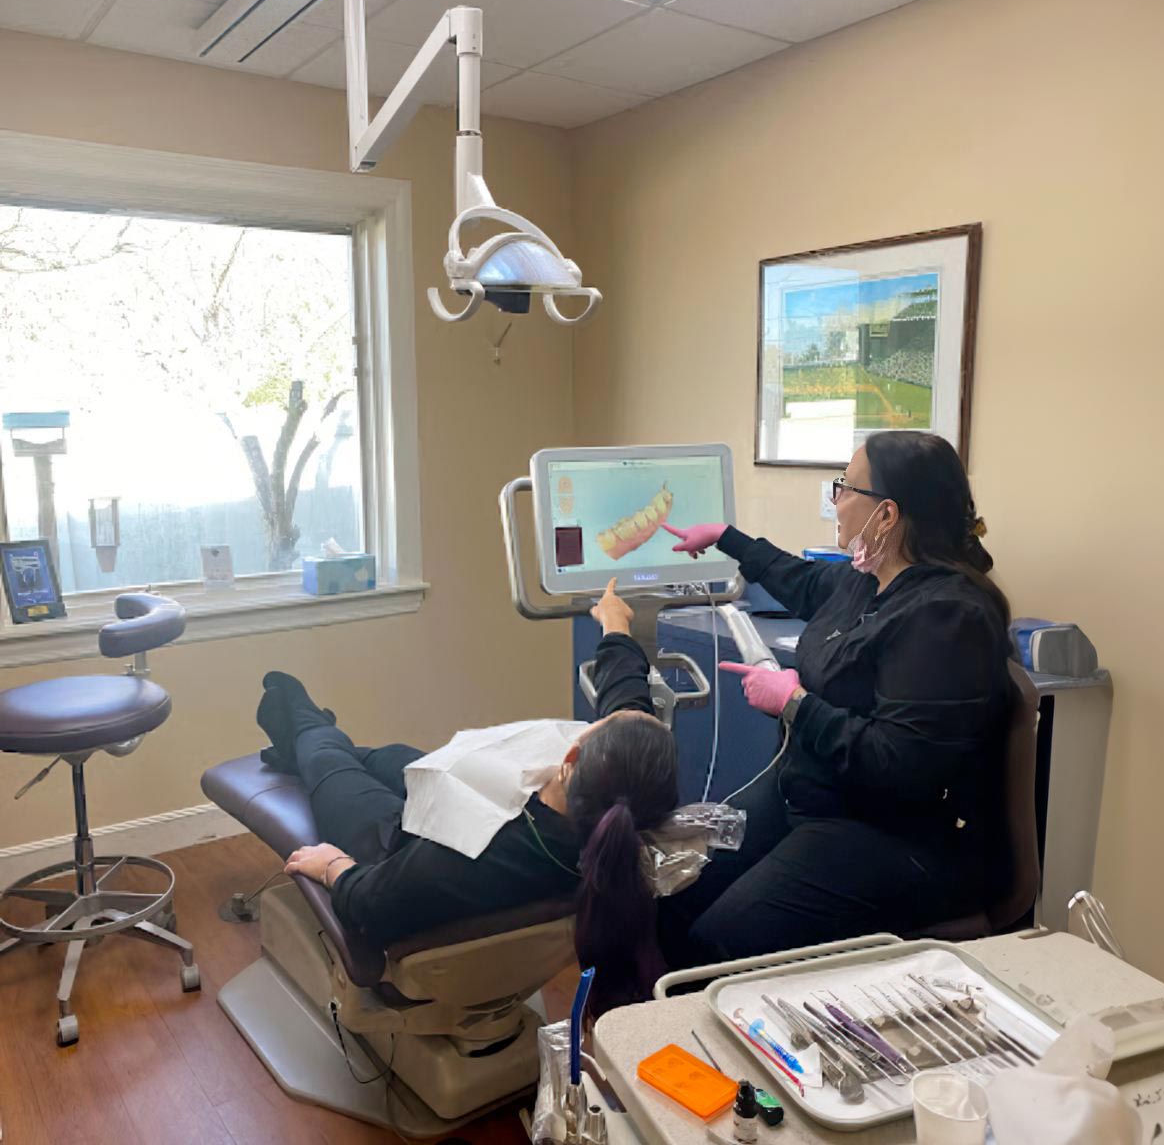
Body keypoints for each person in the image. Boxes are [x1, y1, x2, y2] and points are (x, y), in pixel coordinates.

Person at [658, 430, 1014, 966]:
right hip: (813, 794)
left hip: (893, 834)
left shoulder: (947, 618)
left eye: (845, 487)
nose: (836, 500)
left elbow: (901, 764)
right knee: (674, 890)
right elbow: (802, 582)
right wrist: (727, 537)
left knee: (723, 939)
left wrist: (795, 703)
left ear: (888, 514)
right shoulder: (870, 581)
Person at [259, 579, 672, 1017]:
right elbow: (627, 702)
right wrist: (614, 621)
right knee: (385, 756)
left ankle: (300, 718)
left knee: (325, 756)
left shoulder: (468, 856)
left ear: (571, 757)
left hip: (393, 841)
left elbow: (371, 905)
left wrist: (333, 867)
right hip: (462, 797)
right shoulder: (629, 797)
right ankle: (305, 746)